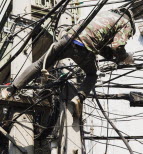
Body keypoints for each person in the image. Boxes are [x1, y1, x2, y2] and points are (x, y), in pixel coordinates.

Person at [1, 7, 136, 117]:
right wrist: (125, 57)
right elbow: (117, 47)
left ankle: (10, 90)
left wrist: (112, 56)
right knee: (92, 75)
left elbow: (102, 46)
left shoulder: (104, 14)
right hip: (84, 50)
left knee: (39, 64)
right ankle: (78, 98)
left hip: (68, 39)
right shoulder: (126, 23)